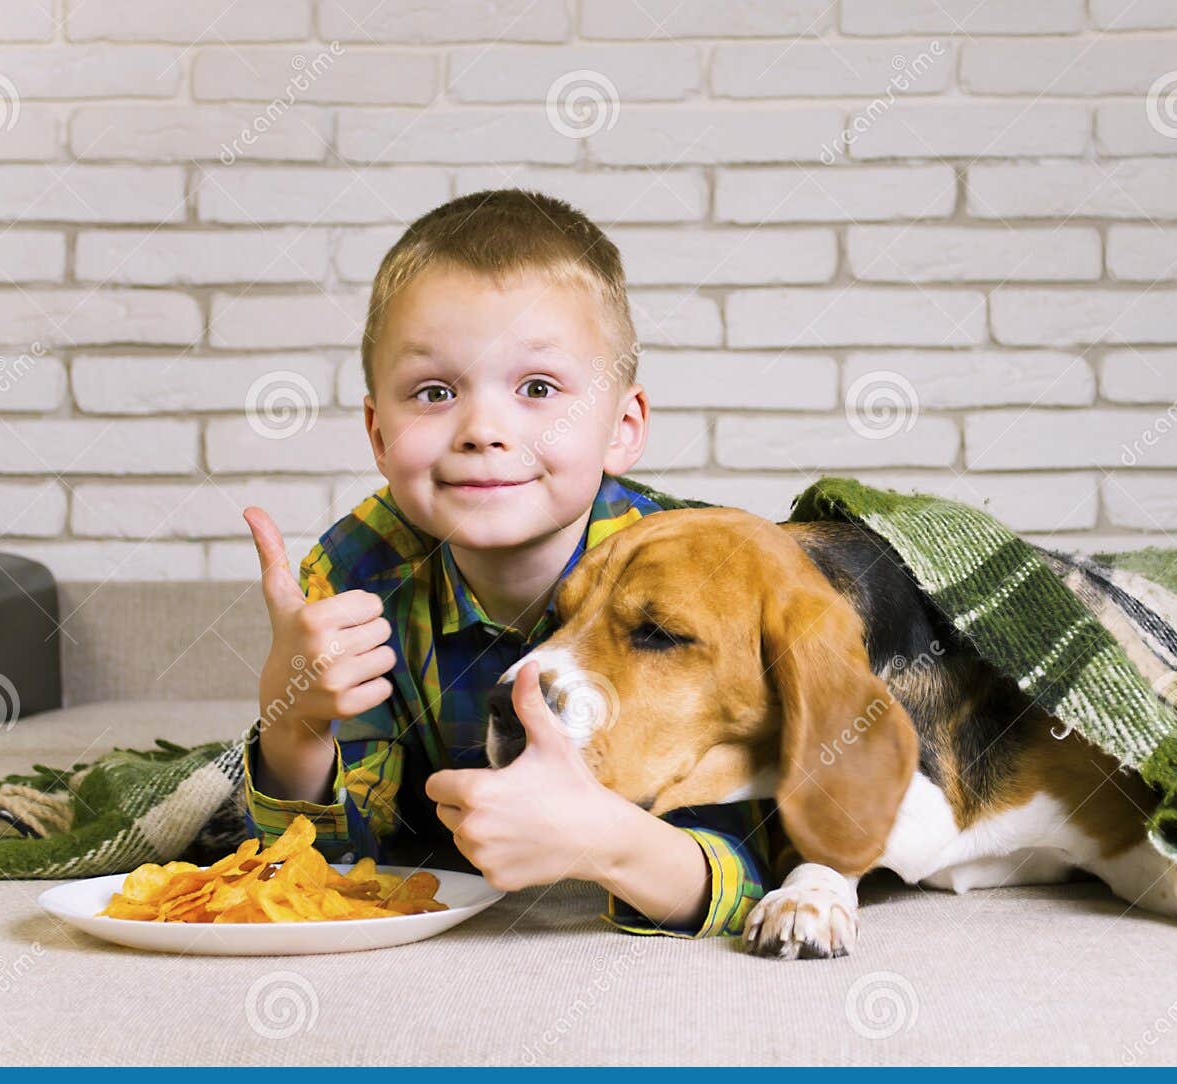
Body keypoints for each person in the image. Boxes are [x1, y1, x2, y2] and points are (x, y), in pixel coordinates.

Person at [240, 189, 780, 938]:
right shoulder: (356, 574)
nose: (484, 430)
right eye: (434, 392)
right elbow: (332, 876)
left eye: (537, 388)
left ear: (622, 427)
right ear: (379, 434)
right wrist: (293, 722)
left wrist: (604, 840)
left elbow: (755, 866)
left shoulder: (696, 586)